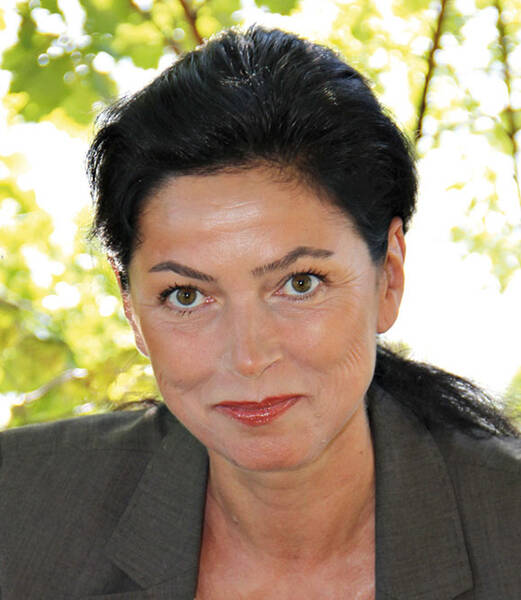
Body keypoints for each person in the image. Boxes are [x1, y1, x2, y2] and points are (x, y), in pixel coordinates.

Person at [0, 25, 520, 600]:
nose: (248, 357)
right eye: (186, 295)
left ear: (388, 276)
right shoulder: (17, 512)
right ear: (130, 306)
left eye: (299, 284)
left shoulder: (505, 523)